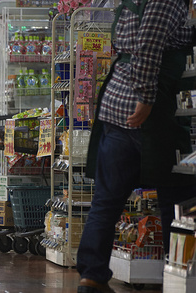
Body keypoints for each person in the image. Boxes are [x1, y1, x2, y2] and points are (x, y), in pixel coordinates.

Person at [77, 0, 196, 292]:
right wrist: (145, 97)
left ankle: (92, 276)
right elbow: (148, 45)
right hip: (148, 111)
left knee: (107, 199)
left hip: (118, 106)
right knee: (178, 197)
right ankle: (178, 274)